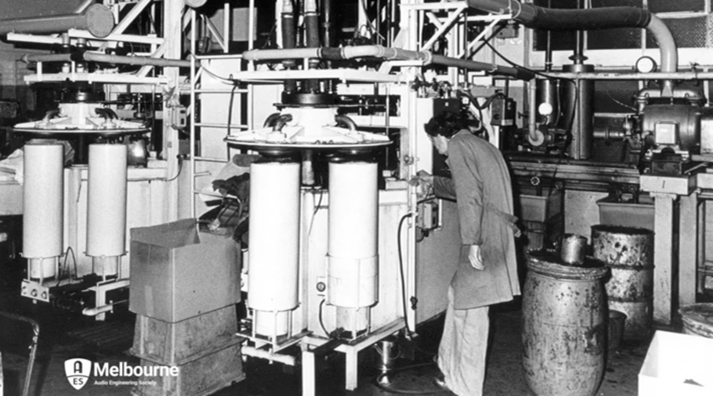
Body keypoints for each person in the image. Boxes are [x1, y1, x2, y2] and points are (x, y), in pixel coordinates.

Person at [412, 111, 521, 396]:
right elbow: (467, 188)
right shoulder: (480, 145)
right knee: (457, 296)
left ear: (440, 135)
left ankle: (465, 386)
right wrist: (433, 181)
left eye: (433, 141)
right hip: (495, 229)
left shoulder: (459, 146)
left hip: (485, 235)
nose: (436, 148)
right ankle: (448, 366)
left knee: (472, 311)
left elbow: (471, 196)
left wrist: (473, 241)